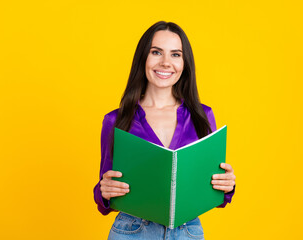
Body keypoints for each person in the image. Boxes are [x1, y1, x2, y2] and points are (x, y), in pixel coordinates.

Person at [93, 21, 236, 240]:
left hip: (188, 230)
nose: (166, 63)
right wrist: (104, 191)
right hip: (132, 230)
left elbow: (215, 192)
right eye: (156, 52)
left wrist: (226, 186)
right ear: (144, 58)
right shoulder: (115, 120)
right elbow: (104, 197)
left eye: (176, 55)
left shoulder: (202, 116)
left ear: (185, 63)